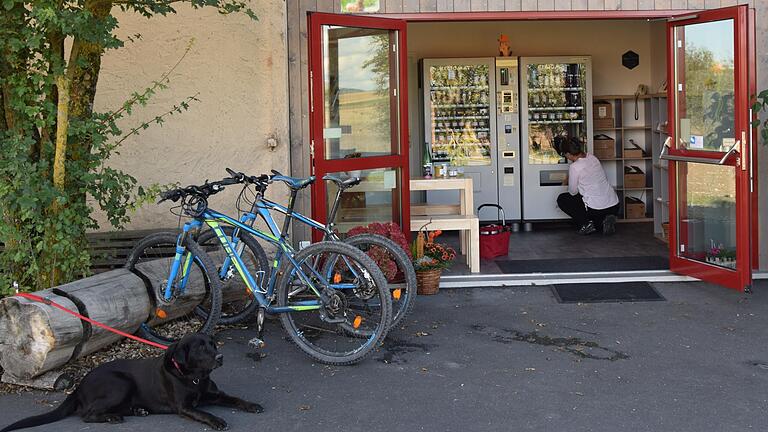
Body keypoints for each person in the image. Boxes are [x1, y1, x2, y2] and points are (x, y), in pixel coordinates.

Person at [554, 136, 619, 235]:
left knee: (563, 199)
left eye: (565, 154)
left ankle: (586, 224)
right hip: (614, 204)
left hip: (596, 209)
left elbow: (573, 192)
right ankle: (605, 220)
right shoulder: (592, 158)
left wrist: (568, 179)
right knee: (594, 209)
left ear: (568, 154)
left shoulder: (574, 167)